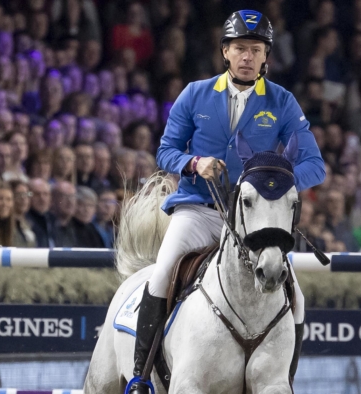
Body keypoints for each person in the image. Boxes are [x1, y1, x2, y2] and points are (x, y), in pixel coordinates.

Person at [127, 10, 326, 394]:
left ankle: (284, 379)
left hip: (254, 222)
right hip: (199, 210)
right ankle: (140, 374)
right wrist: (193, 162)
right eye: (240, 49)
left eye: (255, 49)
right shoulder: (195, 93)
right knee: (162, 272)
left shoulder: (282, 102)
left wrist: (274, 184)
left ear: (266, 56)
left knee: (296, 297)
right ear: (225, 52)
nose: (247, 57)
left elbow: (314, 165)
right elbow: (165, 150)